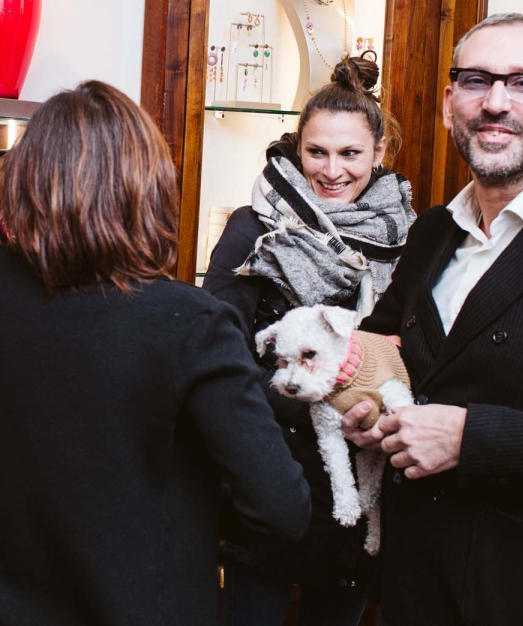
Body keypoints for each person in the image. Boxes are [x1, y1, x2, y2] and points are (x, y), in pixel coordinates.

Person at [0, 81, 312, 626]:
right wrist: (175, 514)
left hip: (5, 598)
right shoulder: (190, 322)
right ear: (146, 189)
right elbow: (279, 507)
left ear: (27, 180)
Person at [345, 13, 523, 626]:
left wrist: (473, 439)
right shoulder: (432, 232)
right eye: (477, 80)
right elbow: (380, 347)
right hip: (414, 583)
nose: (496, 102)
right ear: (450, 105)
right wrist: (363, 406)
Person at [203, 56, 414, 626]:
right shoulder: (255, 226)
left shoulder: (407, 236)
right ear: (298, 149)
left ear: (379, 152)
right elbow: (218, 349)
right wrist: (315, 400)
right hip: (269, 466)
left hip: (360, 469)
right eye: (316, 152)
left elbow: (407, 349)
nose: (332, 170)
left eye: (350, 153)